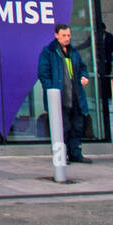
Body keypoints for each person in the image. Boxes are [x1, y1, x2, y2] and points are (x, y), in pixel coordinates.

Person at [37, 23, 91, 163]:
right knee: (63, 127)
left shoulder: (73, 52)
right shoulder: (49, 52)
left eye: (68, 35)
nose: (67, 38)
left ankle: (76, 153)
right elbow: (43, 74)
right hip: (60, 97)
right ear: (56, 35)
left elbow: (83, 68)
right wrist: (52, 90)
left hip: (75, 96)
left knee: (77, 126)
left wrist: (84, 76)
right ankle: (63, 155)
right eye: (64, 36)